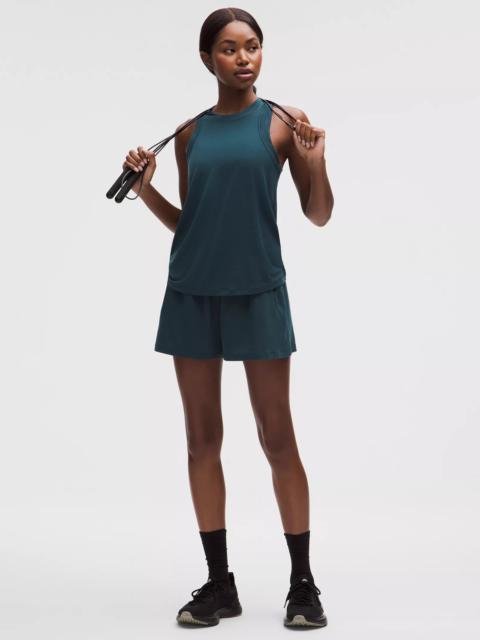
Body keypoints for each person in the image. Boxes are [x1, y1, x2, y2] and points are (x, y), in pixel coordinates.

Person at [122, 7, 334, 629]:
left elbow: (319, 214)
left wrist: (316, 160)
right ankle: (220, 584)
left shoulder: (284, 123)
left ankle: (303, 584)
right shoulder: (189, 134)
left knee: (277, 437)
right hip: (191, 292)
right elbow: (190, 224)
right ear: (207, 58)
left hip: (258, 291)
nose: (244, 58)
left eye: (253, 46)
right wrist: (144, 188)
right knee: (201, 440)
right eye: (229, 48)